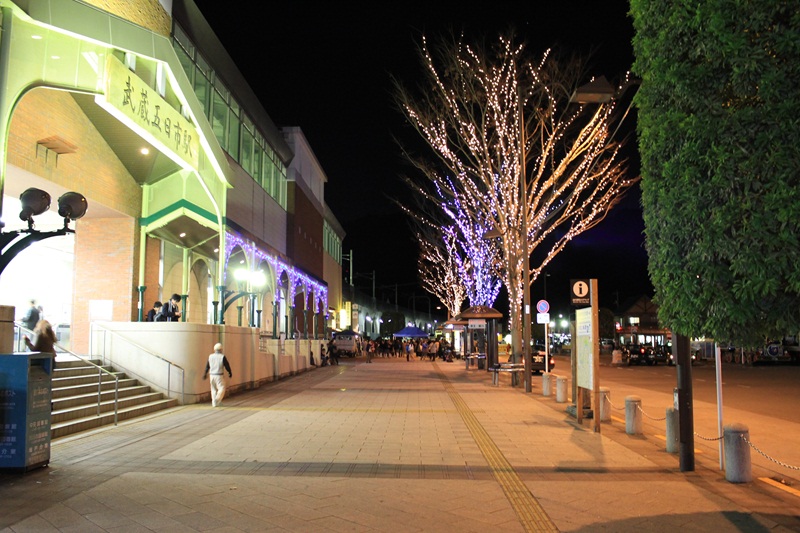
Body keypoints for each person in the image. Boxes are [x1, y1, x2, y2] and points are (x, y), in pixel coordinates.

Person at [202, 342, 232, 407]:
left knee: (213, 389)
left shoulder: (210, 356)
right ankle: (217, 399)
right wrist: (229, 372)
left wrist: (205, 373)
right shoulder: (222, 357)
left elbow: (207, 366)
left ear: (214, 349)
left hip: (211, 375)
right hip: (219, 375)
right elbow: (227, 365)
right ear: (221, 349)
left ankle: (215, 403)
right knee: (222, 388)